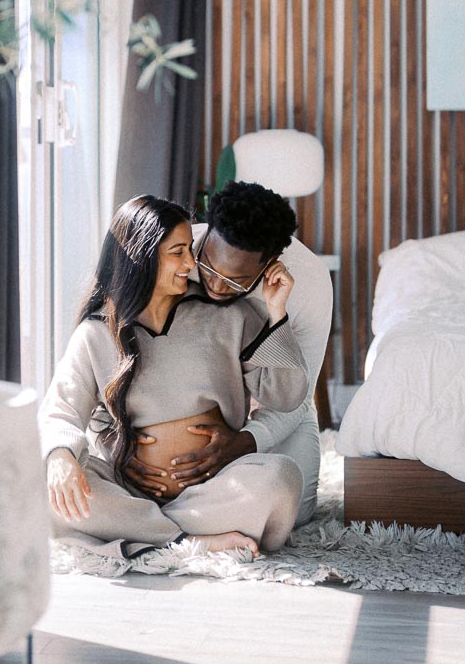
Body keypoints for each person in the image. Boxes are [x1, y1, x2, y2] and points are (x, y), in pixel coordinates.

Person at [39, 195, 309, 562]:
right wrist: (60, 456)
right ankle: (187, 539)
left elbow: (286, 396)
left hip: (212, 489)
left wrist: (277, 315)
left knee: (281, 478)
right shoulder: (97, 331)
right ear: (143, 256)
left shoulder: (234, 317)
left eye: (189, 250)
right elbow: (61, 409)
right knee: (43, 485)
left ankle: (148, 533)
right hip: (125, 488)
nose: (190, 264)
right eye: (178, 252)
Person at [123, 181, 332, 526]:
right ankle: (189, 524)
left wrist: (246, 442)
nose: (216, 287)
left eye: (235, 282)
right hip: (192, 390)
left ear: (270, 264)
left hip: (274, 396)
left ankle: (158, 523)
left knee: (295, 512)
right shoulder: (173, 253)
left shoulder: (309, 284)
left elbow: (296, 396)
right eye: (207, 268)